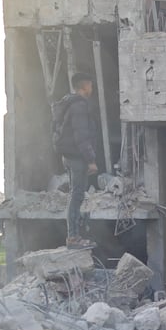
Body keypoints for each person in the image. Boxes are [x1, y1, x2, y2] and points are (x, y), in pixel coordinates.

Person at [53, 73, 99, 250]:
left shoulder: (67, 103)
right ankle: (73, 237)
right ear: (84, 86)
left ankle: (74, 235)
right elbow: (82, 136)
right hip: (77, 157)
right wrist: (91, 160)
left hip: (68, 156)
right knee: (77, 195)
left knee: (75, 194)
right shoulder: (79, 106)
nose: (92, 89)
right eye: (90, 85)